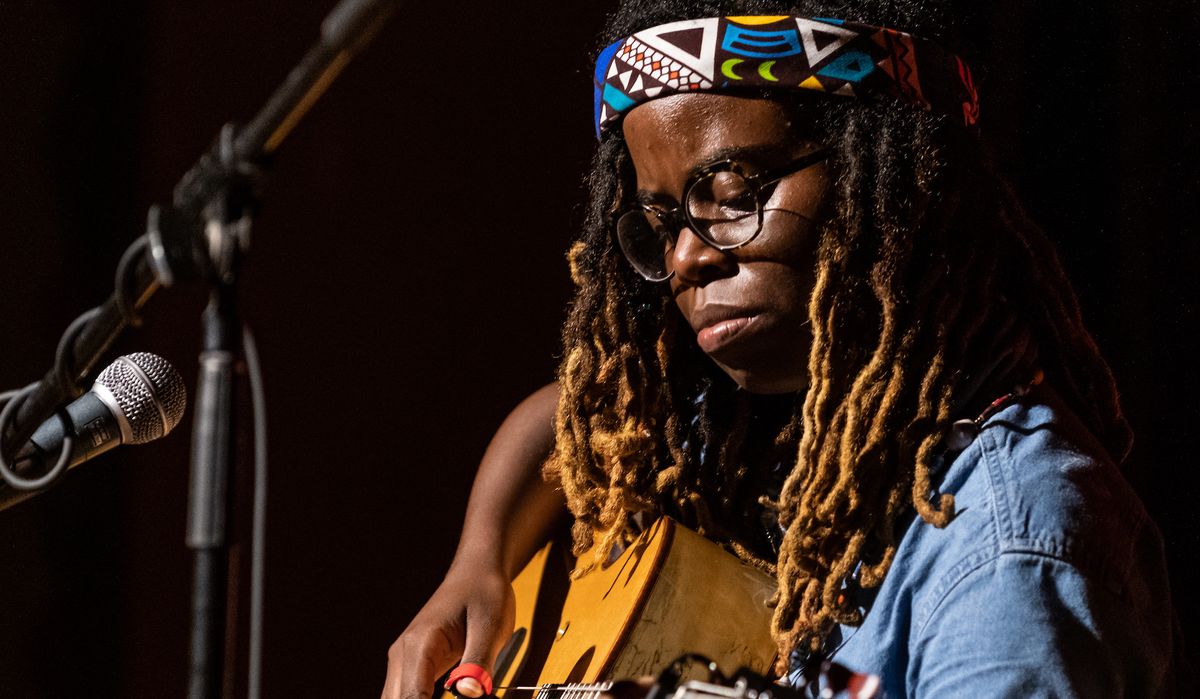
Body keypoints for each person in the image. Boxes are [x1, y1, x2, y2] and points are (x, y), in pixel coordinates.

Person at [382, 1, 1180, 697]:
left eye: (734, 193)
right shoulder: (768, 429)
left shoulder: (1008, 551)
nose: (689, 256)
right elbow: (566, 420)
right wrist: (477, 561)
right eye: (662, 225)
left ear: (895, 185)